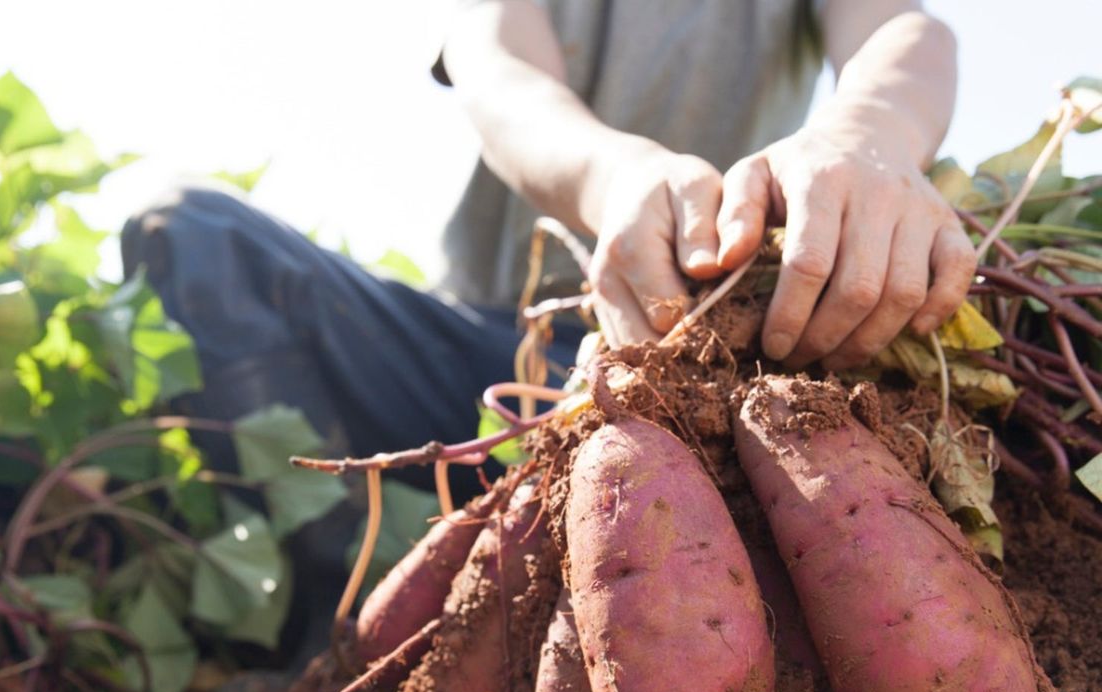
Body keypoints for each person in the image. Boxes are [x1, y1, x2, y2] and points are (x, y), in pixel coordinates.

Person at [120, 0, 973, 653]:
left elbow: (901, 30)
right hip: (498, 355)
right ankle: (332, 628)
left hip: (697, 363)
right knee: (188, 231)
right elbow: (499, 73)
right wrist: (617, 179)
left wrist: (869, 136)